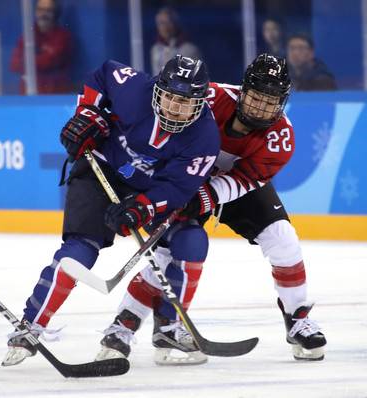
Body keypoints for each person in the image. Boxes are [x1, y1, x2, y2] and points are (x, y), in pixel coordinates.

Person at [96, 54, 327, 366]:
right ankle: (124, 325)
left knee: (283, 237)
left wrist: (205, 196)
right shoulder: (210, 98)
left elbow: (246, 178)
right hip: (185, 179)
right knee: (165, 254)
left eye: (271, 102)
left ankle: (298, 319)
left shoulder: (281, 138)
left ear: (283, 102)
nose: (261, 108)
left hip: (234, 185)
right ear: (243, 91)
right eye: (257, 97)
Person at [1, 54, 220, 367]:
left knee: (191, 240)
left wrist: (142, 209)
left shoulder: (205, 137)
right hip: (100, 169)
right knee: (81, 249)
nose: (174, 107)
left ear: (200, 103)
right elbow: (103, 73)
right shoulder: (135, 90)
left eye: (185, 103)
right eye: (170, 97)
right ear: (158, 90)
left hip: (149, 188)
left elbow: (177, 189)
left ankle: (169, 327)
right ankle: (30, 325)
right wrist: (88, 114)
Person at [10, 0, 73, 94]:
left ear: (56, 13)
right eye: (40, 9)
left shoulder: (63, 37)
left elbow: (49, 61)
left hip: (55, 95)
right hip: (28, 94)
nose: (44, 14)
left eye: (48, 10)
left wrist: (29, 61)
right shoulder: (27, 35)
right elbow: (14, 64)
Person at [150, 7, 201, 76]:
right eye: (160, 23)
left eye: (167, 22)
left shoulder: (189, 49)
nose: (164, 27)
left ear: (174, 24)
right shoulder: (155, 49)